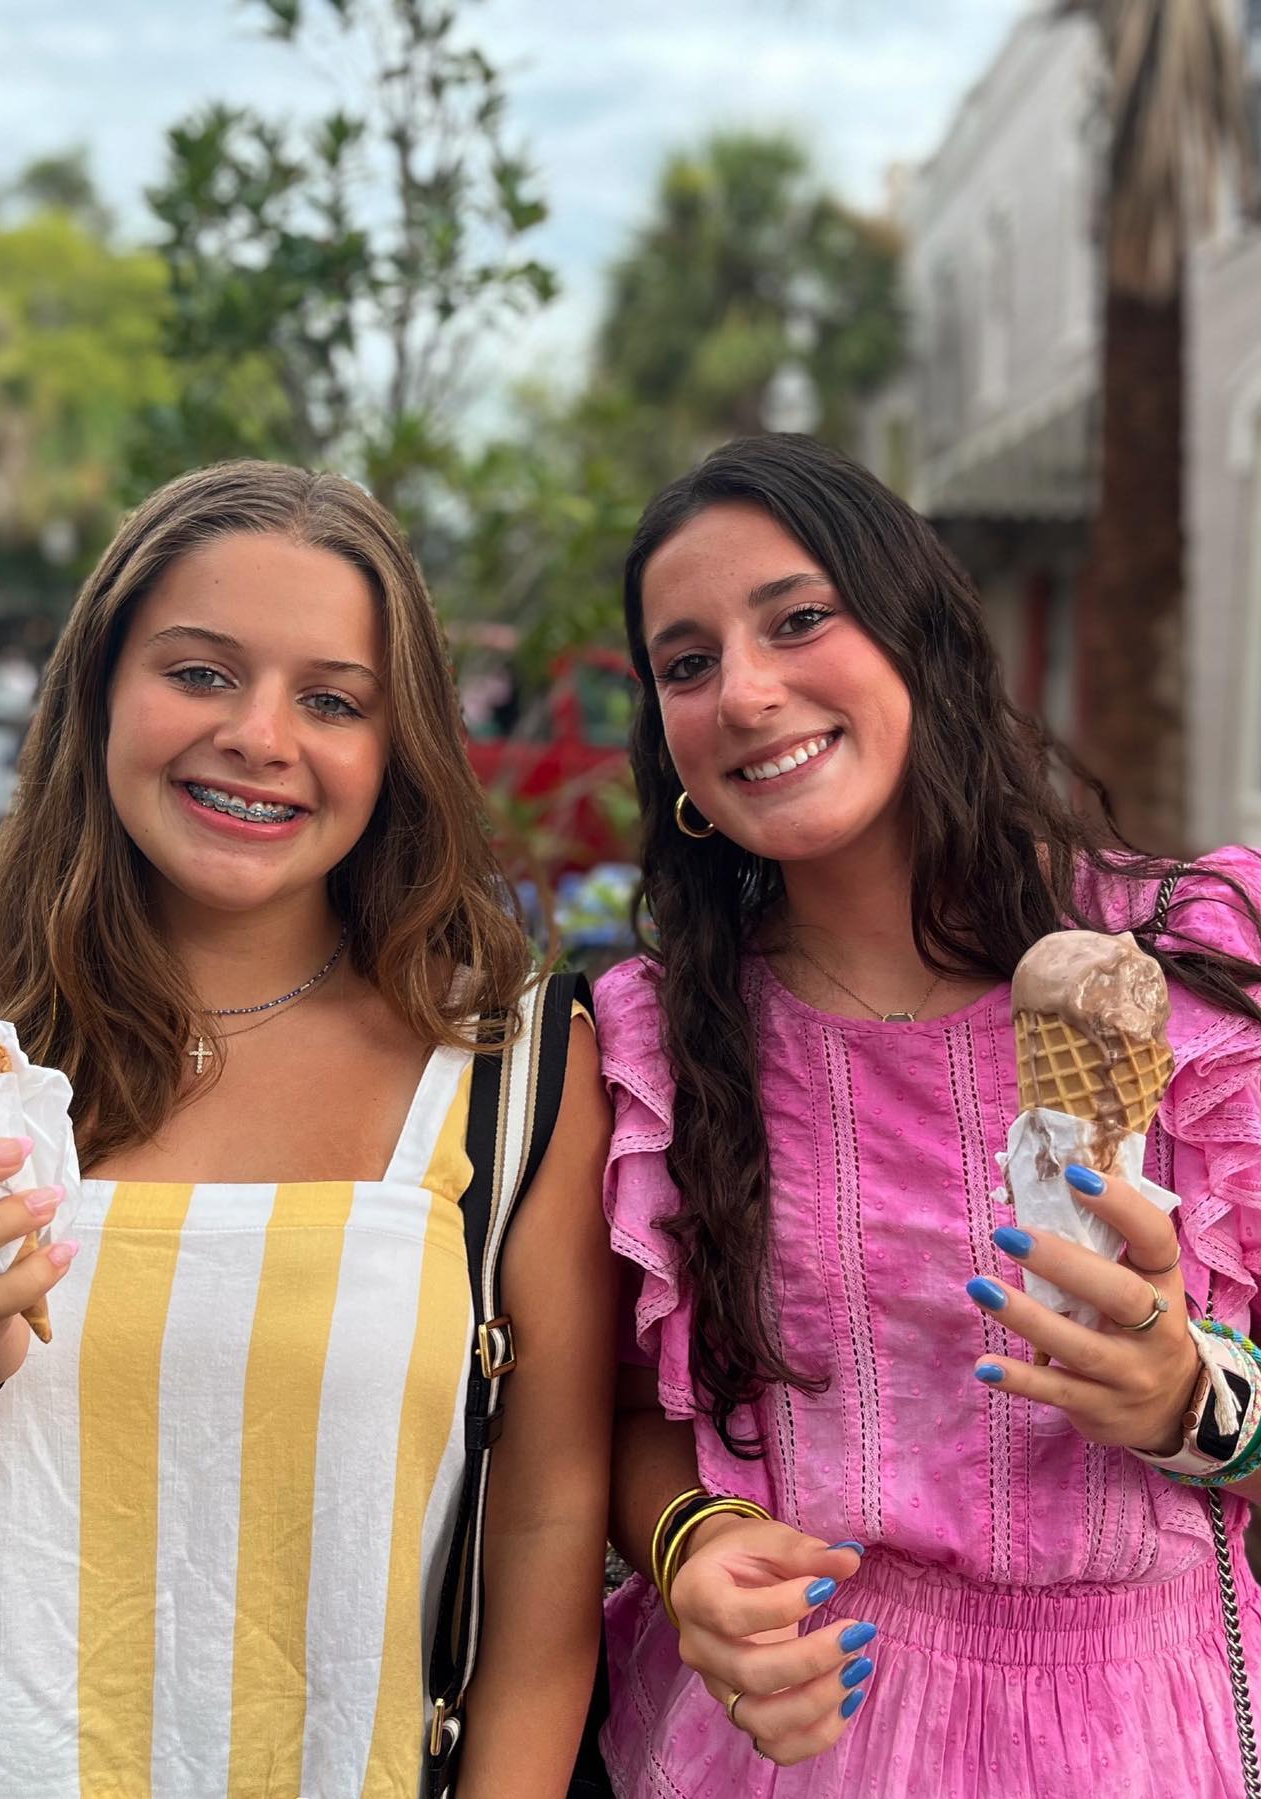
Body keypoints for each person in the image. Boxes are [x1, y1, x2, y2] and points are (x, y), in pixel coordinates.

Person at [0, 461, 615, 1798]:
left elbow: (543, 1555)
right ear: (99, 693)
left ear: (397, 744)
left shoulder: (518, 1070)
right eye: (198, 673)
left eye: (331, 700)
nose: (259, 733)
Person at [595, 432, 1261, 1798]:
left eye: (797, 621)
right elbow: (626, 1418)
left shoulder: (1190, 962)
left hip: (1150, 1735)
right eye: (687, 663)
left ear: (916, 635)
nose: (749, 691)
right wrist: (691, 1547)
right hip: (783, 1739)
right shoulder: (660, 1041)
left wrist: (1200, 1404)